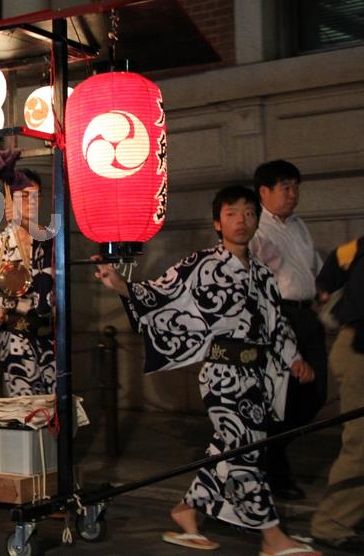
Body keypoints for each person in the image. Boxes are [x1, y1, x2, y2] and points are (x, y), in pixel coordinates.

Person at [95, 185, 319, 556]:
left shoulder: (262, 273)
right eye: (232, 213)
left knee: (227, 451)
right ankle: (272, 536)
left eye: (249, 213)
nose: (242, 220)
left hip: (257, 377)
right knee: (246, 452)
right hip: (222, 375)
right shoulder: (202, 264)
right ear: (218, 223)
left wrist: (293, 358)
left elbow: (276, 323)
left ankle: (186, 511)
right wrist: (121, 284)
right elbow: (160, 292)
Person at [249, 159, 327, 500]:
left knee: (315, 393)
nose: (293, 194)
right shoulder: (256, 229)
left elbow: (312, 265)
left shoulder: (298, 225)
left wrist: (324, 284)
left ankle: (270, 456)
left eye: (295, 186)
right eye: (285, 187)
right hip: (279, 317)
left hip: (307, 315)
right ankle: (273, 468)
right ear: (264, 191)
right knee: (286, 396)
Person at [0, 170, 55, 396]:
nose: (30, 201)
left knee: (56, 405)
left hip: (50, 335)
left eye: (34, 195)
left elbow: (49, 244)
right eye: (22, 196)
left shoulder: (49, 240)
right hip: (16, 338)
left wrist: (24, 221)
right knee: (24, 405)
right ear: (9, 201)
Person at [309, 235, 364, 552]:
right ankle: (332, 523)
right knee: (361, 440)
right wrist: (324, 287)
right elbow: (338, 260)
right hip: (359, 344)